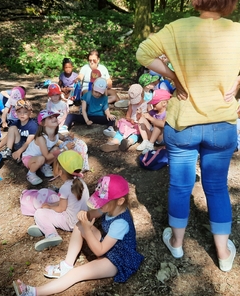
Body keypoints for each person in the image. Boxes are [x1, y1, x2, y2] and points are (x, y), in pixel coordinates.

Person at [136, 0, 240, 272]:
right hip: (222, 125)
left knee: (179, 185)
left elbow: (143, 53)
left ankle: (176, 245)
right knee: (216, 187)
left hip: (183, 124)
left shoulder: (178, 28)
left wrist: (173, 76)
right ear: (229, 0)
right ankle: (223, 254)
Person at [13, 174, 144, 296]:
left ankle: (32, 292)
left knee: (76, 274)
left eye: (102, 202)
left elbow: (99, 251)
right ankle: (67, 265)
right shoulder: (110, 206)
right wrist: (83, 216)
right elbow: (92, 214)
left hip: (118, 259)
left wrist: (88, 229)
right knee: (79, 225)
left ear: (120, 201)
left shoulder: (120, 223)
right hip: (109, 245)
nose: (100, 205)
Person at [27, 150, 89, 251]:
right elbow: (68, 203)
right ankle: (45, 225)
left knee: (39, 213)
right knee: (50, 205)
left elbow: (61, 208)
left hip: (71, 222)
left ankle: (51, 234)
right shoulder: (81, 182)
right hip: (82, 218)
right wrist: (51, 205)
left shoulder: (65, 187)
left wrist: (50, 207)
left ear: (60, 171)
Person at [100, 84, 148, 152]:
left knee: (135, 135)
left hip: (138, 125)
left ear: (142, 96)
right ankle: (114, 142)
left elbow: (144, 119)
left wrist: (139, 114)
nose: (135, 103)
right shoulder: (132, 104)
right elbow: (128, 114)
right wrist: (129, 119)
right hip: (130, 123)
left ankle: (128, 142)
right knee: (121, 131)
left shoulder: (145, 105)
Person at [22, 110, 60, 185]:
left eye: (55, 116)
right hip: (29, 158)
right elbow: (47, 156)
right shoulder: (41, 138)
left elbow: (64, 137)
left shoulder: (56, 135)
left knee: (56, 149)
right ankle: (31, 174)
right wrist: (64, 149)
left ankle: (45, 166)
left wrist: (68, 137)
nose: (54, 118)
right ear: (43, 123)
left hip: (41, 157)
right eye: (50, 117)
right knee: (46, 156)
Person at [136, 89, 171, 154]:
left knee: (158, 125)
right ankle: (145, 141)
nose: (153, 104)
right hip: (153, 135)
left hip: (162, 137)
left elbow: (163, 124)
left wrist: (150, 118)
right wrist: (140, 114)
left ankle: (150, 145)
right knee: (142, 119)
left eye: (155, 103)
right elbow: (144, 116)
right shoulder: (154, 111)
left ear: (164, 103)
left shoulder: (167, 113)